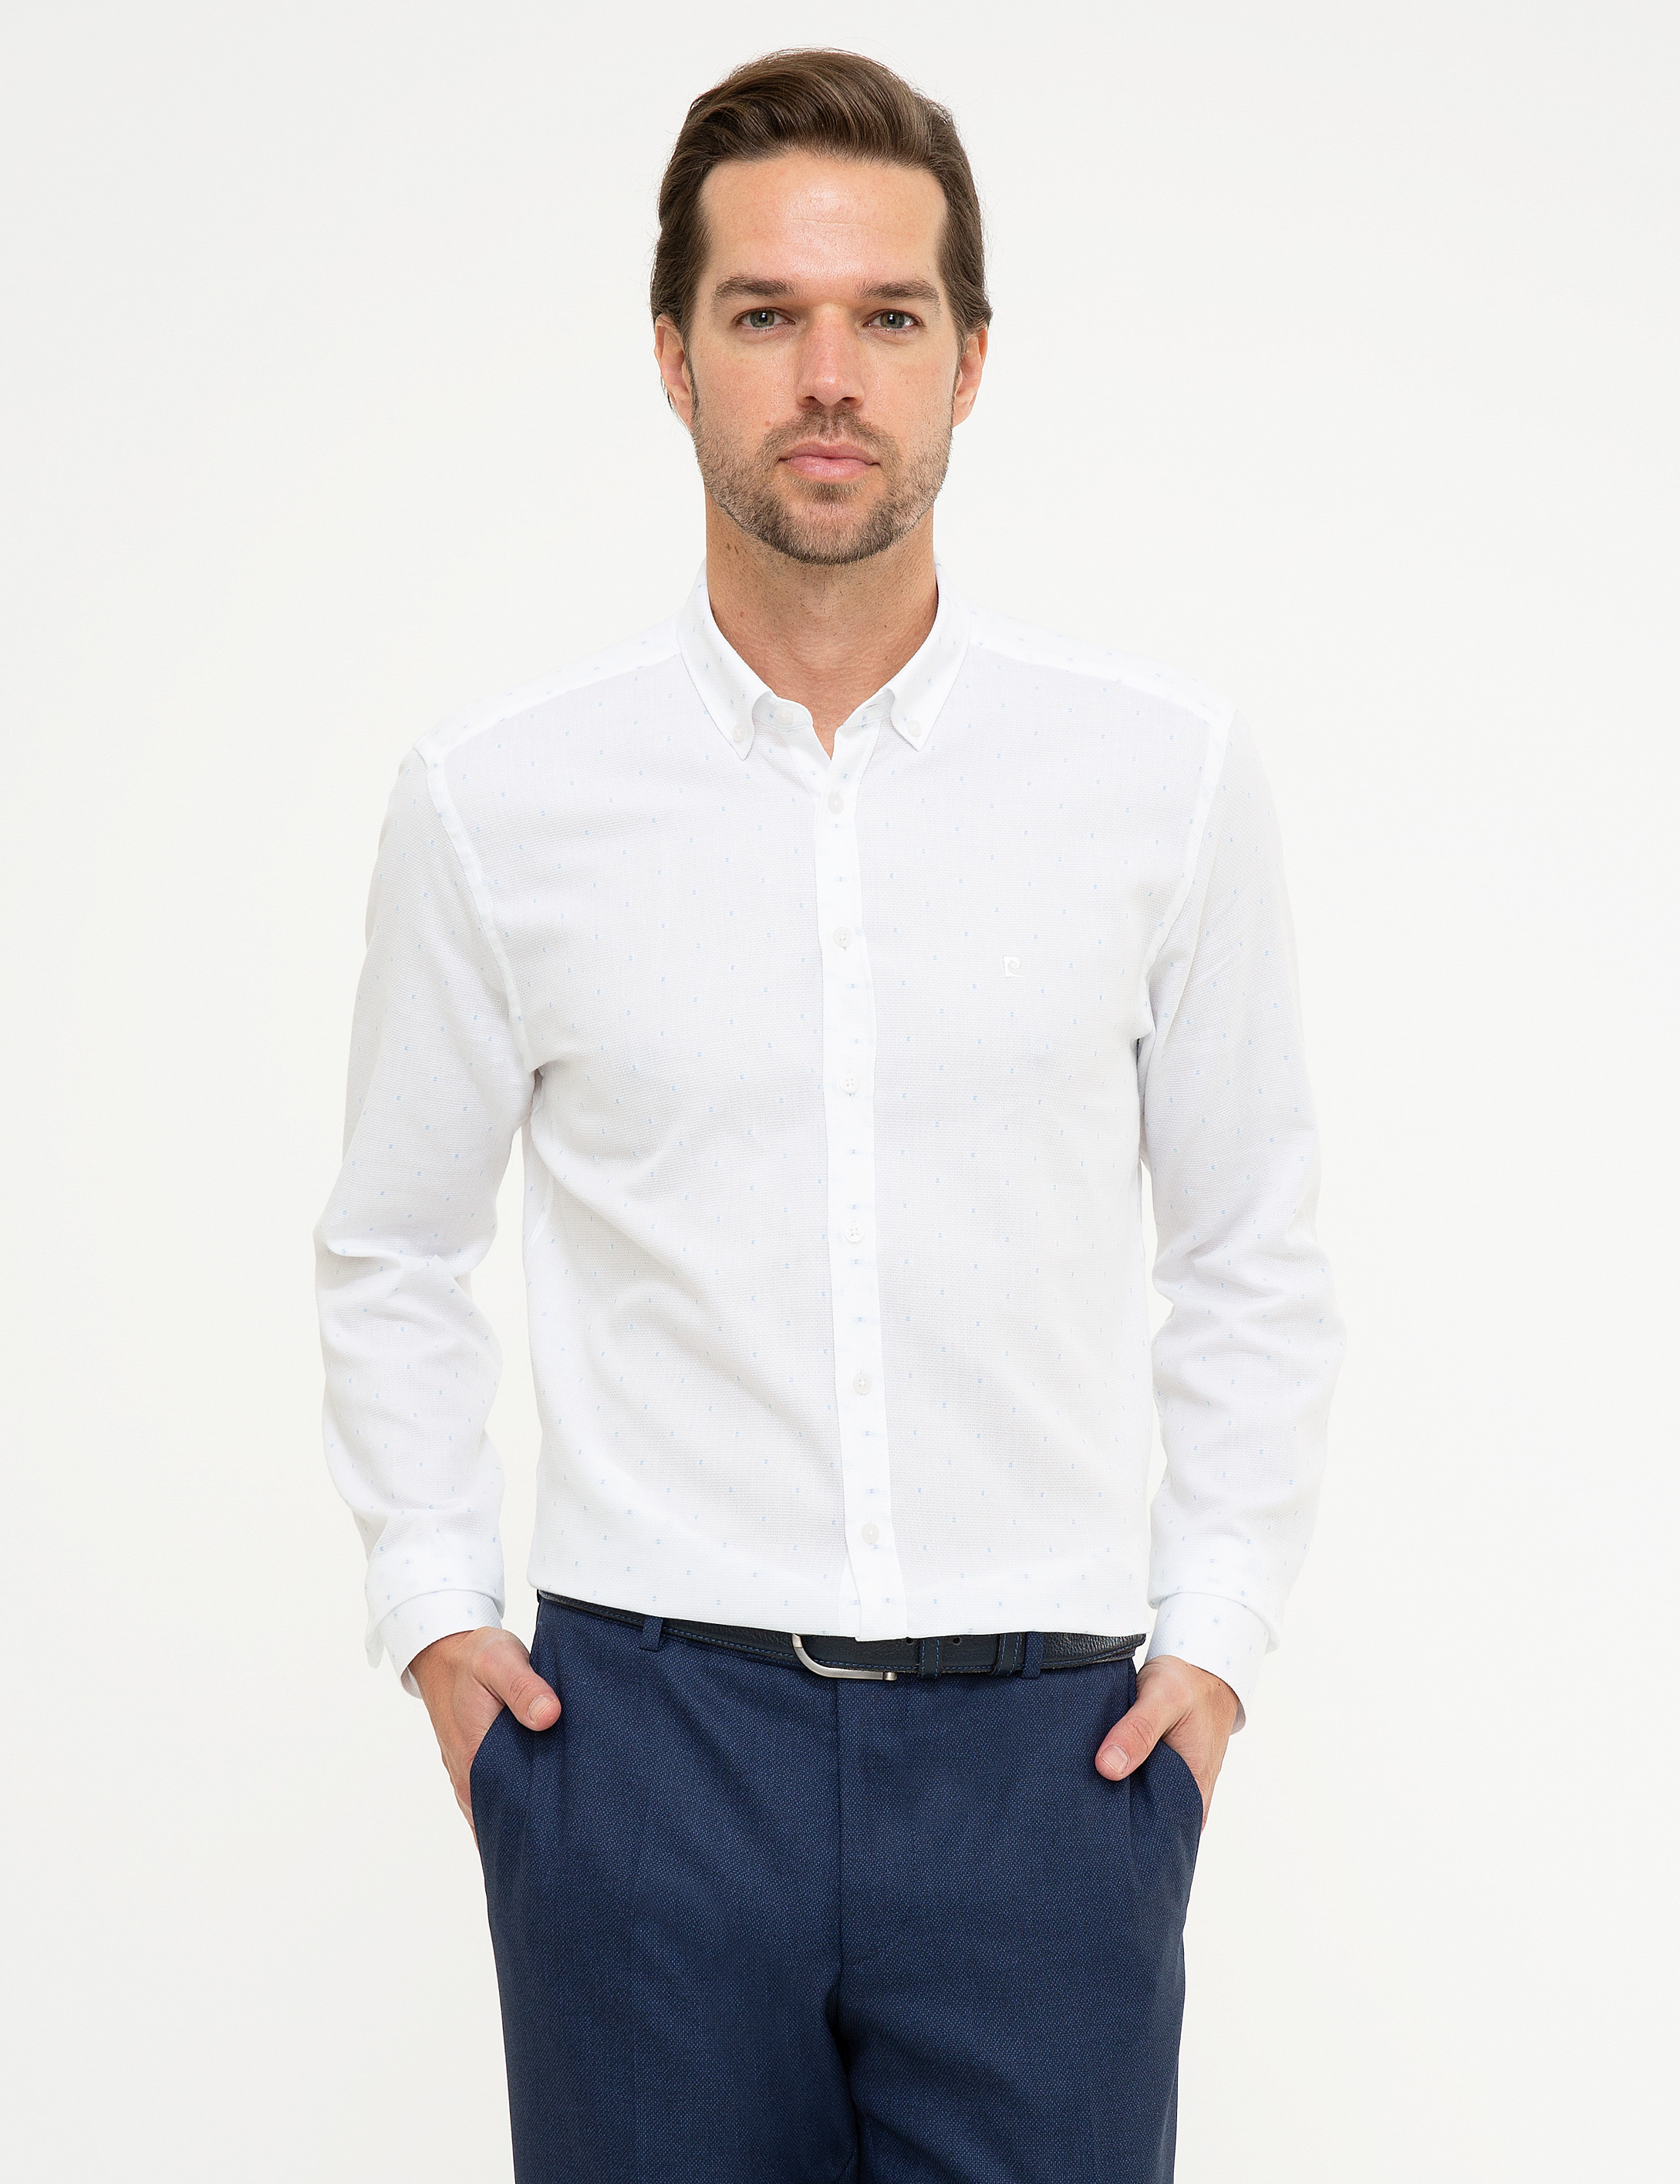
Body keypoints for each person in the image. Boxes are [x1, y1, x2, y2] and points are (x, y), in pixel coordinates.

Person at [315, 46, 1342, 2184]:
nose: (827, 376)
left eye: (886, 315)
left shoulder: (1157, 781)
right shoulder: (500, 801)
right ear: (671, 353)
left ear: (969, 360)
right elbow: (393, 1243)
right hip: (642, 1753)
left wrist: (1216, 1647)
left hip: (1050, 1757)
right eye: (765, 312)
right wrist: (436, 1616)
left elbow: (1250, 1241)